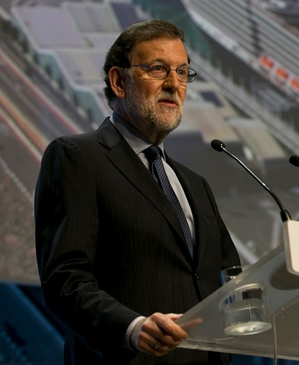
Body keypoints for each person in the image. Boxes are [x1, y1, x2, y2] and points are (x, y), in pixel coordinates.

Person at [34, 19, 241, 365]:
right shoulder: (77, 157)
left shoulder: (195, 184)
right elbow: (65, 279)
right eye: (158, 69)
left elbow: (226, 278)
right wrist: (132, 328)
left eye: (182, 72)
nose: (174, 84)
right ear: (119, 81)